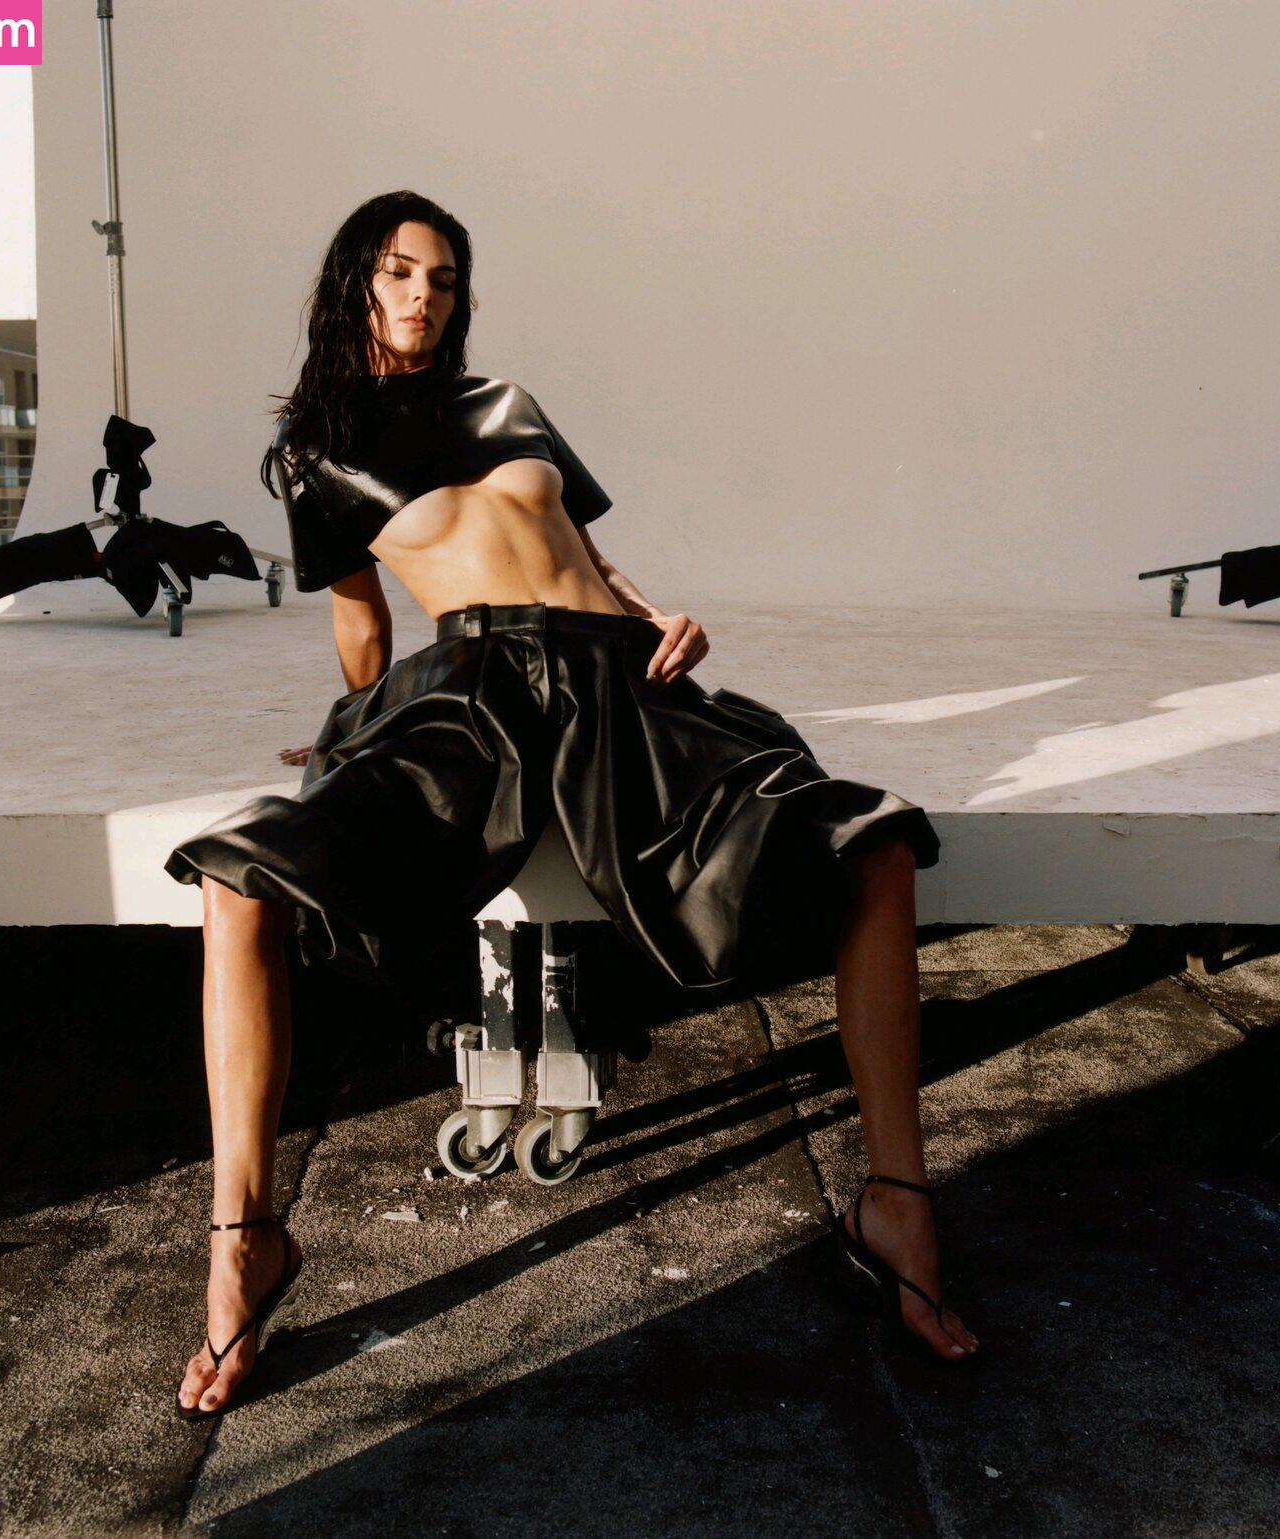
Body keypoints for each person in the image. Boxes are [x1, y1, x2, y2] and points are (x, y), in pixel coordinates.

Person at [167, 191, 980, 1418]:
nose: (423, 296)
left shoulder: (506, 403)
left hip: (623, 677)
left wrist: (664, 614)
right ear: (355, 283)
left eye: (444, 278)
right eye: (399, 272)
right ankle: (245, 1238)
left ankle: (895, 1205)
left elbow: (587, 556)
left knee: (873, 846)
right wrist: (350, 726)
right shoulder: (317, 447)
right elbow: (361, 616)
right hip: (473, 687)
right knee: (238, 880)